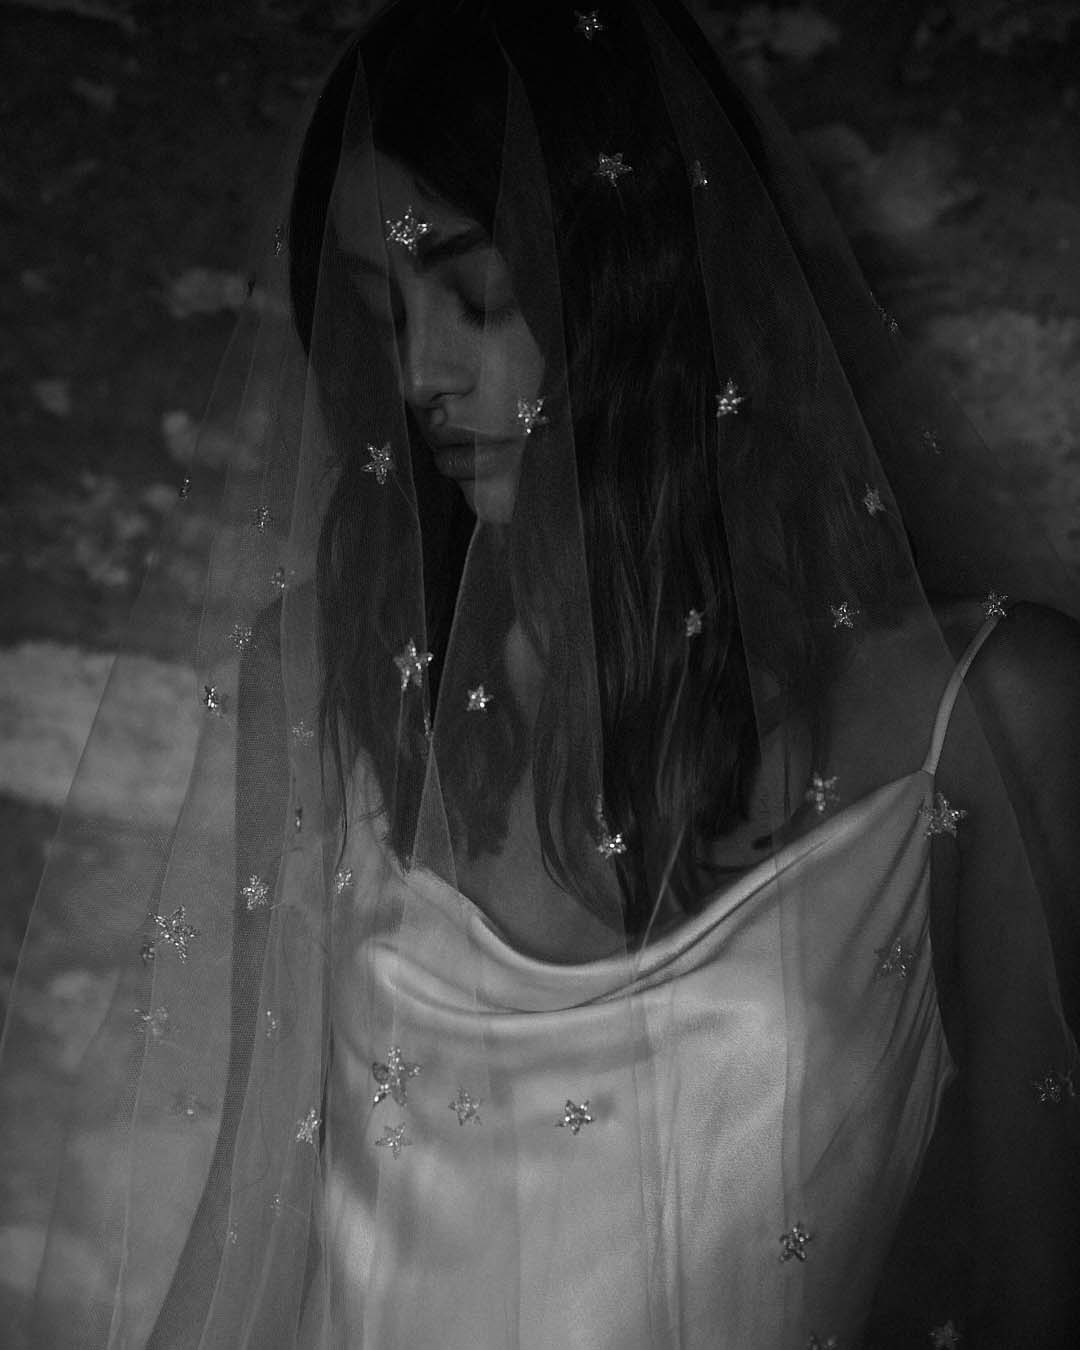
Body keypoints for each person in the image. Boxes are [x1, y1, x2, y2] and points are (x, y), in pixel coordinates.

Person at [2, 0, 1078, 1345]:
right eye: (380, 308)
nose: (421, 372)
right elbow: (257, 1210)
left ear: (634, 274)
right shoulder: (333, 676)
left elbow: (1040, 1287)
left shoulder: (991, 719)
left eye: (476, 293)